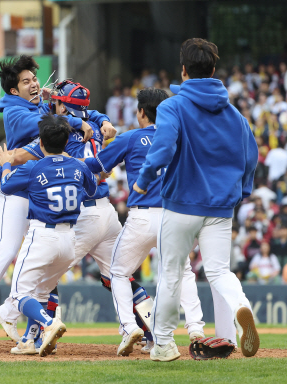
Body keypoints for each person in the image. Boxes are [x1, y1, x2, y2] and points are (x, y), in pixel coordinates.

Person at [0, 56, 104, 347]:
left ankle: (14, 316)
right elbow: (44, 122)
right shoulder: (14, 109)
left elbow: (84, 112)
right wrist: (76, 120)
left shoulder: (39, 103)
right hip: (14, 187)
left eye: (34, 79)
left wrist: (101, 120)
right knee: (5, 252)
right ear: (14, 90)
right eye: (26, 81)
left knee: (44, 256)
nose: (34, 84)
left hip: (37, 188)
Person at [133, 38, 259, 361]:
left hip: (180, 205)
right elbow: (251, 156)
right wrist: (242, 191)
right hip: (220, 208)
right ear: (214, 70)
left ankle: (162, 344)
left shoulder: (172, 106)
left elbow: (162, 149)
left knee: (171, 273)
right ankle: (241, 306)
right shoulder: (234, 114)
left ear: (184, 70)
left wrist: (143, 181)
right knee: (219, 271)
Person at [85, 88, 237, 356]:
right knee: (184, 272)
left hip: (142, 216)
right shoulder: (182, 138)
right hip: (175, 215)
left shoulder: (131, 137)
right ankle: (195, 329)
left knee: (118, 272)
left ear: (142, 112)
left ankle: (129, 327)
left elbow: (95, 166)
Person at [0, 114, 99, 356]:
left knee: (19, 293)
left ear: (40, 142)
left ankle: (49, 323)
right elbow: (92, 189)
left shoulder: (34, 166)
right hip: (69, 241)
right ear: (65, 142)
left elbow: (5, 186)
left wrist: (5, 164)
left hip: (42, 235)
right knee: (42, 292)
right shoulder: (80, 165)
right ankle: (28, 341)